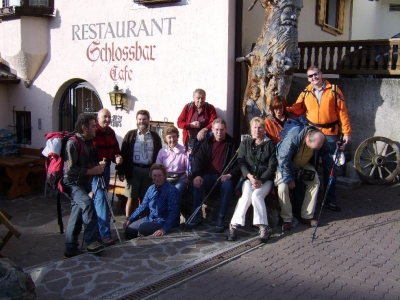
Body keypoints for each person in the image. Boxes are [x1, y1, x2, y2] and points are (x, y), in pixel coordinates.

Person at [287, 66, 352, 212]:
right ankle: (311, 201)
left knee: (330, 169)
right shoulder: (306, 92)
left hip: (330, 134)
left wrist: (346, 132)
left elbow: (343, 112)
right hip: (313, 134)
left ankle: (330, 200)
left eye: (316, 74)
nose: (313, 78)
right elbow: (297, 109)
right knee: (311, 168)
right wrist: (284, 108)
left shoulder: (334, 90)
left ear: (321, 74)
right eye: (310, 76)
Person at [63, 113, 106, 258]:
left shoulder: (89, 142)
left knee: (76, 213)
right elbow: (69, 169)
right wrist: (90, 171)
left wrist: (98, 166)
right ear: (84, 128)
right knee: (87, 203)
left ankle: (70, 248)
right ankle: (91, 241)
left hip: (83, 184)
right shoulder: (73, 143)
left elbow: (89, 164)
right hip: (72, 183)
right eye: (93, 126)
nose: (96, 128)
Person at [186, 118, 241, 233]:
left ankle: (221, 217)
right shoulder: (207, 143)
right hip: (208, 176)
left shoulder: (233, 144)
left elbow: (239, 164)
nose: (219, 132)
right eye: (216, 130)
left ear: (226, 129)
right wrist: (197, 175)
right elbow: (198, 161)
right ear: (212, 129)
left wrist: (230, 175)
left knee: (227, 187)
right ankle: (196, 215)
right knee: (197, 184)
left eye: (221, 130)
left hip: (225, 177)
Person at [227, 117, 277, 242]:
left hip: (265, 179)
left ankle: (263, 227)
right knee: (246, 196)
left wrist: (261, 180)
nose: (257, 130)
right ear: (251, 129)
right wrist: (249, 176)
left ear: (264, 129)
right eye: (254, 127)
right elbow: (241, 161)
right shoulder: (246, 143)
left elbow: (272, 167)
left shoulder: (270, 144)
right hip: (249, 178)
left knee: (257, 195)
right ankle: (234, 226)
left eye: (260, 127)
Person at [275, 125, 326, 231]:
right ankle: (287, 219)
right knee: (283, 188)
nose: (314, 150)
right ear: (307, 138)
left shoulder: (318, 137)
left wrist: (339, 147)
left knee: (315, 181)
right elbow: (283, 159)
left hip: (303, 164)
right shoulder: (294, 137)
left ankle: (307, 215)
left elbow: (327, 149)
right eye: (313, 148)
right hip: (286, 165)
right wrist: (289, 179)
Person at [119, 110, 162, 218]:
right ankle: (128, 223)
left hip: (149, 171)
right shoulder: (130, 135)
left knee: (145, 199)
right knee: (131, 198)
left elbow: (159, 154)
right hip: (133, 170)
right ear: (136, 120)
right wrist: (121, 171)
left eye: (144, 119)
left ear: (148, 120)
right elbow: (123, 153)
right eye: (139, 119)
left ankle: (142, 224)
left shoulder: (155, 136)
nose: (142, 121)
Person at [91, 109, 123, 247]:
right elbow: (89, 152)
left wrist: (118, 157)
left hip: (105, 169)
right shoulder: (93, 131)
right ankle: (104, 235)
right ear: (98, 118)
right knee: (101, 200)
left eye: (109, 117)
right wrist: (97, 164)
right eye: (105, 117)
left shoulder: (110, 132)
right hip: (93, 171)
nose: (108, 119)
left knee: (100, 200)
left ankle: (98, 231)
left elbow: (115, 150)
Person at [123, 163, 180, 239]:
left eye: (159, 175)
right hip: (150, 219)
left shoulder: (172, 190)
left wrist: (164, 229)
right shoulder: (151, 189)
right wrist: (130, 219)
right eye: (154, 176)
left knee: (142, 228)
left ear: (164, 176)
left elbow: (173, 213)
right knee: (130, 229)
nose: (157, 178)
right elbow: (143, 206)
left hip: (163, 221)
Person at [156, 125, 188, 200]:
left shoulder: (184, 150)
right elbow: (158, 167)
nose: (172, 139)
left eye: (174, 136)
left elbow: (189, 166)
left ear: (177, 137)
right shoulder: (162, 151)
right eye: (169, 137)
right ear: (165, 139)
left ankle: (174, 211)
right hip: (166, 179)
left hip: (180, 179)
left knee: (175, 193)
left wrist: (190, 157)